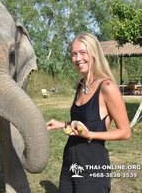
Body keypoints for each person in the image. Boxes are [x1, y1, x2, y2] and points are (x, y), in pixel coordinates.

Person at [46, 33, 130, 193]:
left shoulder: (107, 87)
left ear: (94, 54)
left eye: (83, 53)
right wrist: (63, 124)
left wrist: (89, 134)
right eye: (74, 54)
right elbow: (85, 123)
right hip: (70, 159)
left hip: (93, 163)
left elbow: (125, 132)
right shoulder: (80, 85)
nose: (78, 58)